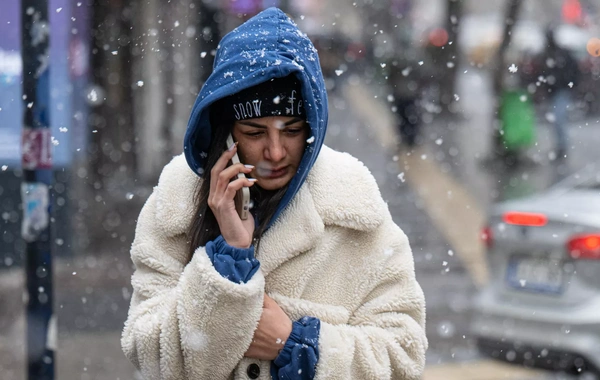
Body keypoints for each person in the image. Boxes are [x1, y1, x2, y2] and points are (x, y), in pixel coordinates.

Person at [121, 7, 427, 380]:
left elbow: (404, 358)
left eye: (293, 130)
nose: (276, 152)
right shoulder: (175, 207)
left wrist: (296, 345)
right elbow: (152, 357)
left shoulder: (355, 211)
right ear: (227, 132)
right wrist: (228, 260)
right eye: (254, 133)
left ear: (312, 126)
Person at [539, 28, 580, 160]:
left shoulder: (557, 54)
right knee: (557, 120)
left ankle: (561, 147)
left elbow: (572, 71)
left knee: (558, 119)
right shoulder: (552, 53)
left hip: (560, 90)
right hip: (557, 91)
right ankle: (560, 146)